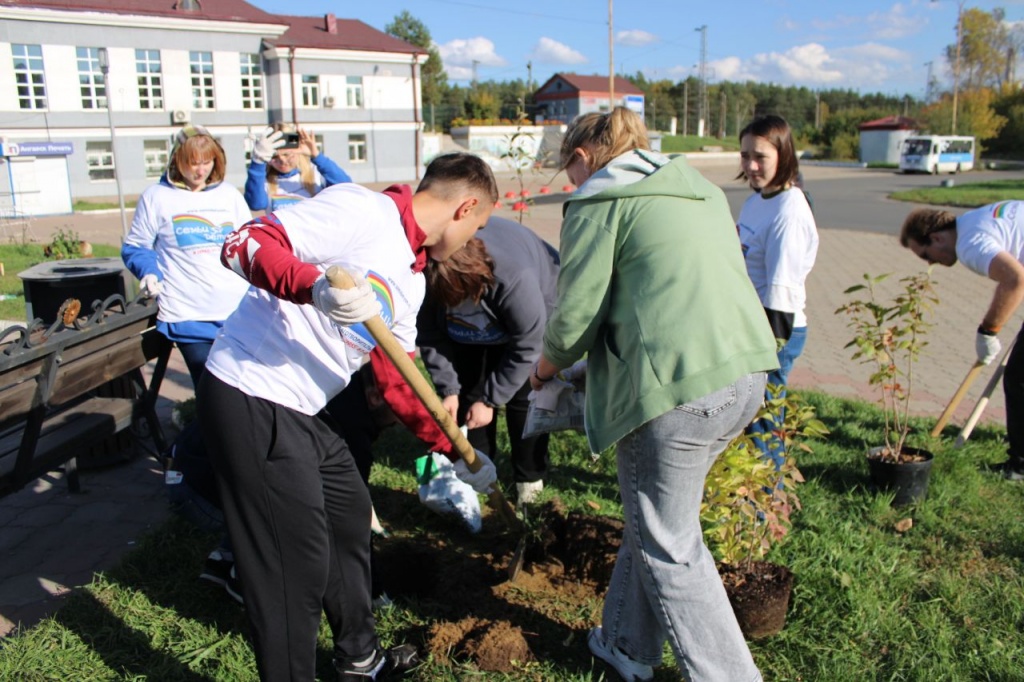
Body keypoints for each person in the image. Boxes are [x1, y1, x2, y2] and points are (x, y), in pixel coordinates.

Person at [197, 152, 500, 681]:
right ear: (466, 207)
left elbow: (400, 378)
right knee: (295, 566)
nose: (475, 235)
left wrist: (456, 450)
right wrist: (312, 286)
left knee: (347, 517)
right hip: (253, 391)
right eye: (480, 224)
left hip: (309, 407)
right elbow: (243, 242)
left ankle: (359, 659)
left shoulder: (412, 279)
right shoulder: (362, 211)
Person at [531, 107, 778, 682]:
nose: (571, 184)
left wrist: (544, 369)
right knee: (655, 520)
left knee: (671, 548)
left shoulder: (600, 198)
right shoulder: (699, 191)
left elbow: (576, 314)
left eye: (570, 170)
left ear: (584, 157)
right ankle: (625, 644)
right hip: (743, 373)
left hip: (677, 390)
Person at [417, 216, 560, 504]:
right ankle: (481, 474)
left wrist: (492, 400)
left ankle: (529, 480)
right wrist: (449, 390)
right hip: (469, 334)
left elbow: (526, 347)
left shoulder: (515, 279)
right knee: (471, 395)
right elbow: (430, 335)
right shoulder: (428, 277)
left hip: (530, 320)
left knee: (527, 397)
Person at [900, 202, 1024, 481]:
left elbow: (1015, 280)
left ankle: (1020, 467)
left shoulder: (969, 244)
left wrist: (989, 330)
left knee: (1019, 379)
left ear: (936, 238)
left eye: (925, 255)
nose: (930, 263)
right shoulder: (975, 219)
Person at [122, 125, 253, 386]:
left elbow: (248, 245)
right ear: (177, 159)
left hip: (238, 312)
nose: (200, 170)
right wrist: (149, 272)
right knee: (211, 390)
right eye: (193, 162)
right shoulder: (157, 197)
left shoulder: (228, 195)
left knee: (243, 390)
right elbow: (136, 247)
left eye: (207, 162)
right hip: (189, 315)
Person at [736, 114, 819, 466]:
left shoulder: (789, 212)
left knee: (763, 422)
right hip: (753, 326)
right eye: (745, 156)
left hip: (774, 331)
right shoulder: (758, 200)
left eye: (761, 157)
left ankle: (765, 505)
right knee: (748, 418)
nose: (751, 165)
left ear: (784, 155)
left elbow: (781, 292)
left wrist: (766, 353)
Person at [243, 124, 352, 212]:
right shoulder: (264, 181)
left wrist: (317, 156)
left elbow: (346, 185)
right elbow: (256, 204)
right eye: (274, 157)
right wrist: (257, 163)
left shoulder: (316, 173)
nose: (282, 161)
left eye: (287, 154)